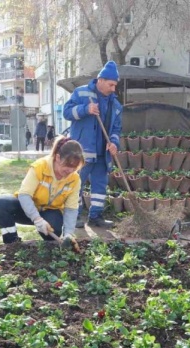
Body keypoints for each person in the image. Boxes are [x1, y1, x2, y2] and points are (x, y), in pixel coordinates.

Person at [0, 136, 83, 245]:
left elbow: (71, 209)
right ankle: (12, 243)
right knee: (1, 204)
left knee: (54, 231)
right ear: (58, 158)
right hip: (27, 209)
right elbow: (24, 195)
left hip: (50, 213)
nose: (70, 170)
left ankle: (49, 246)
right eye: (68, 166)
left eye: (75, 167)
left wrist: (68, 234)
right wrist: (37, 219)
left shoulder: (74, 179)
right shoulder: (40, 166)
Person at [63, 60, 122, 229]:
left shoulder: (115, 105)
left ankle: (96, 216)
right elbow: (67, 113)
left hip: (103, 153)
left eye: (115, 85)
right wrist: (85, 109)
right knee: (76, 183)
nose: (113, 89)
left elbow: (117, 128)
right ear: (100, 80)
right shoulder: (81, 93)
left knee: (99, 186)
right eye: (111, 84)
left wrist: (114, 142)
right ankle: (74, 216)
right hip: (82, 151)